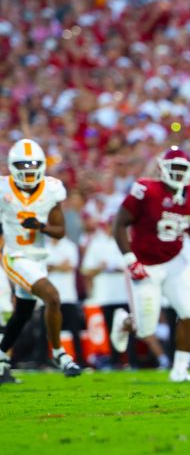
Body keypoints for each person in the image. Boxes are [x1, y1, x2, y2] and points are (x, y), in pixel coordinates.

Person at [111, 146, 190, 382]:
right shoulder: (146, 190)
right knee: (145, 330)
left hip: (175, 261)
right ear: (163, 168)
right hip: (145, 263)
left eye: (183, 169)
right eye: (174, 168)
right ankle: (124, 321)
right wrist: (130, 260)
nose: (178, 173)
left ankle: (180, 370)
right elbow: (119, 224)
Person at [0, 139, 81, 383]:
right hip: (15, 256)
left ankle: (2, 357)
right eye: (23, 165)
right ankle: (60, 354)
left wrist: (41, 226)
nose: (28, 170)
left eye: (33, 165)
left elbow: (59, 231)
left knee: (23, 313)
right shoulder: (3, 189)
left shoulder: (52, 189)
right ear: (13, 166)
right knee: (52, 296)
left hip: (38, 258)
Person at [81, 217, 132, 368]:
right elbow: (86, 270)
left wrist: (117, 268)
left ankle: (131, 360)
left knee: (129, 328)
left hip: (125, 293)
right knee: (110, 328)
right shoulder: (97, 244)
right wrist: (101, 268)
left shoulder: (127, 242)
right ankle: (115, 361)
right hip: (105, 294)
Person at [45, 235, 84, 367]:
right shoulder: (45, 246)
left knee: (74, 331)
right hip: (47, 297)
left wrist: (52, 266)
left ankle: (80, 359)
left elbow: (69, 266)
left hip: (67, 296)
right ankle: (45, 361)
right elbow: (42, 268)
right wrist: (59, 265)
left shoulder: (69, 246)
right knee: (47, 331)